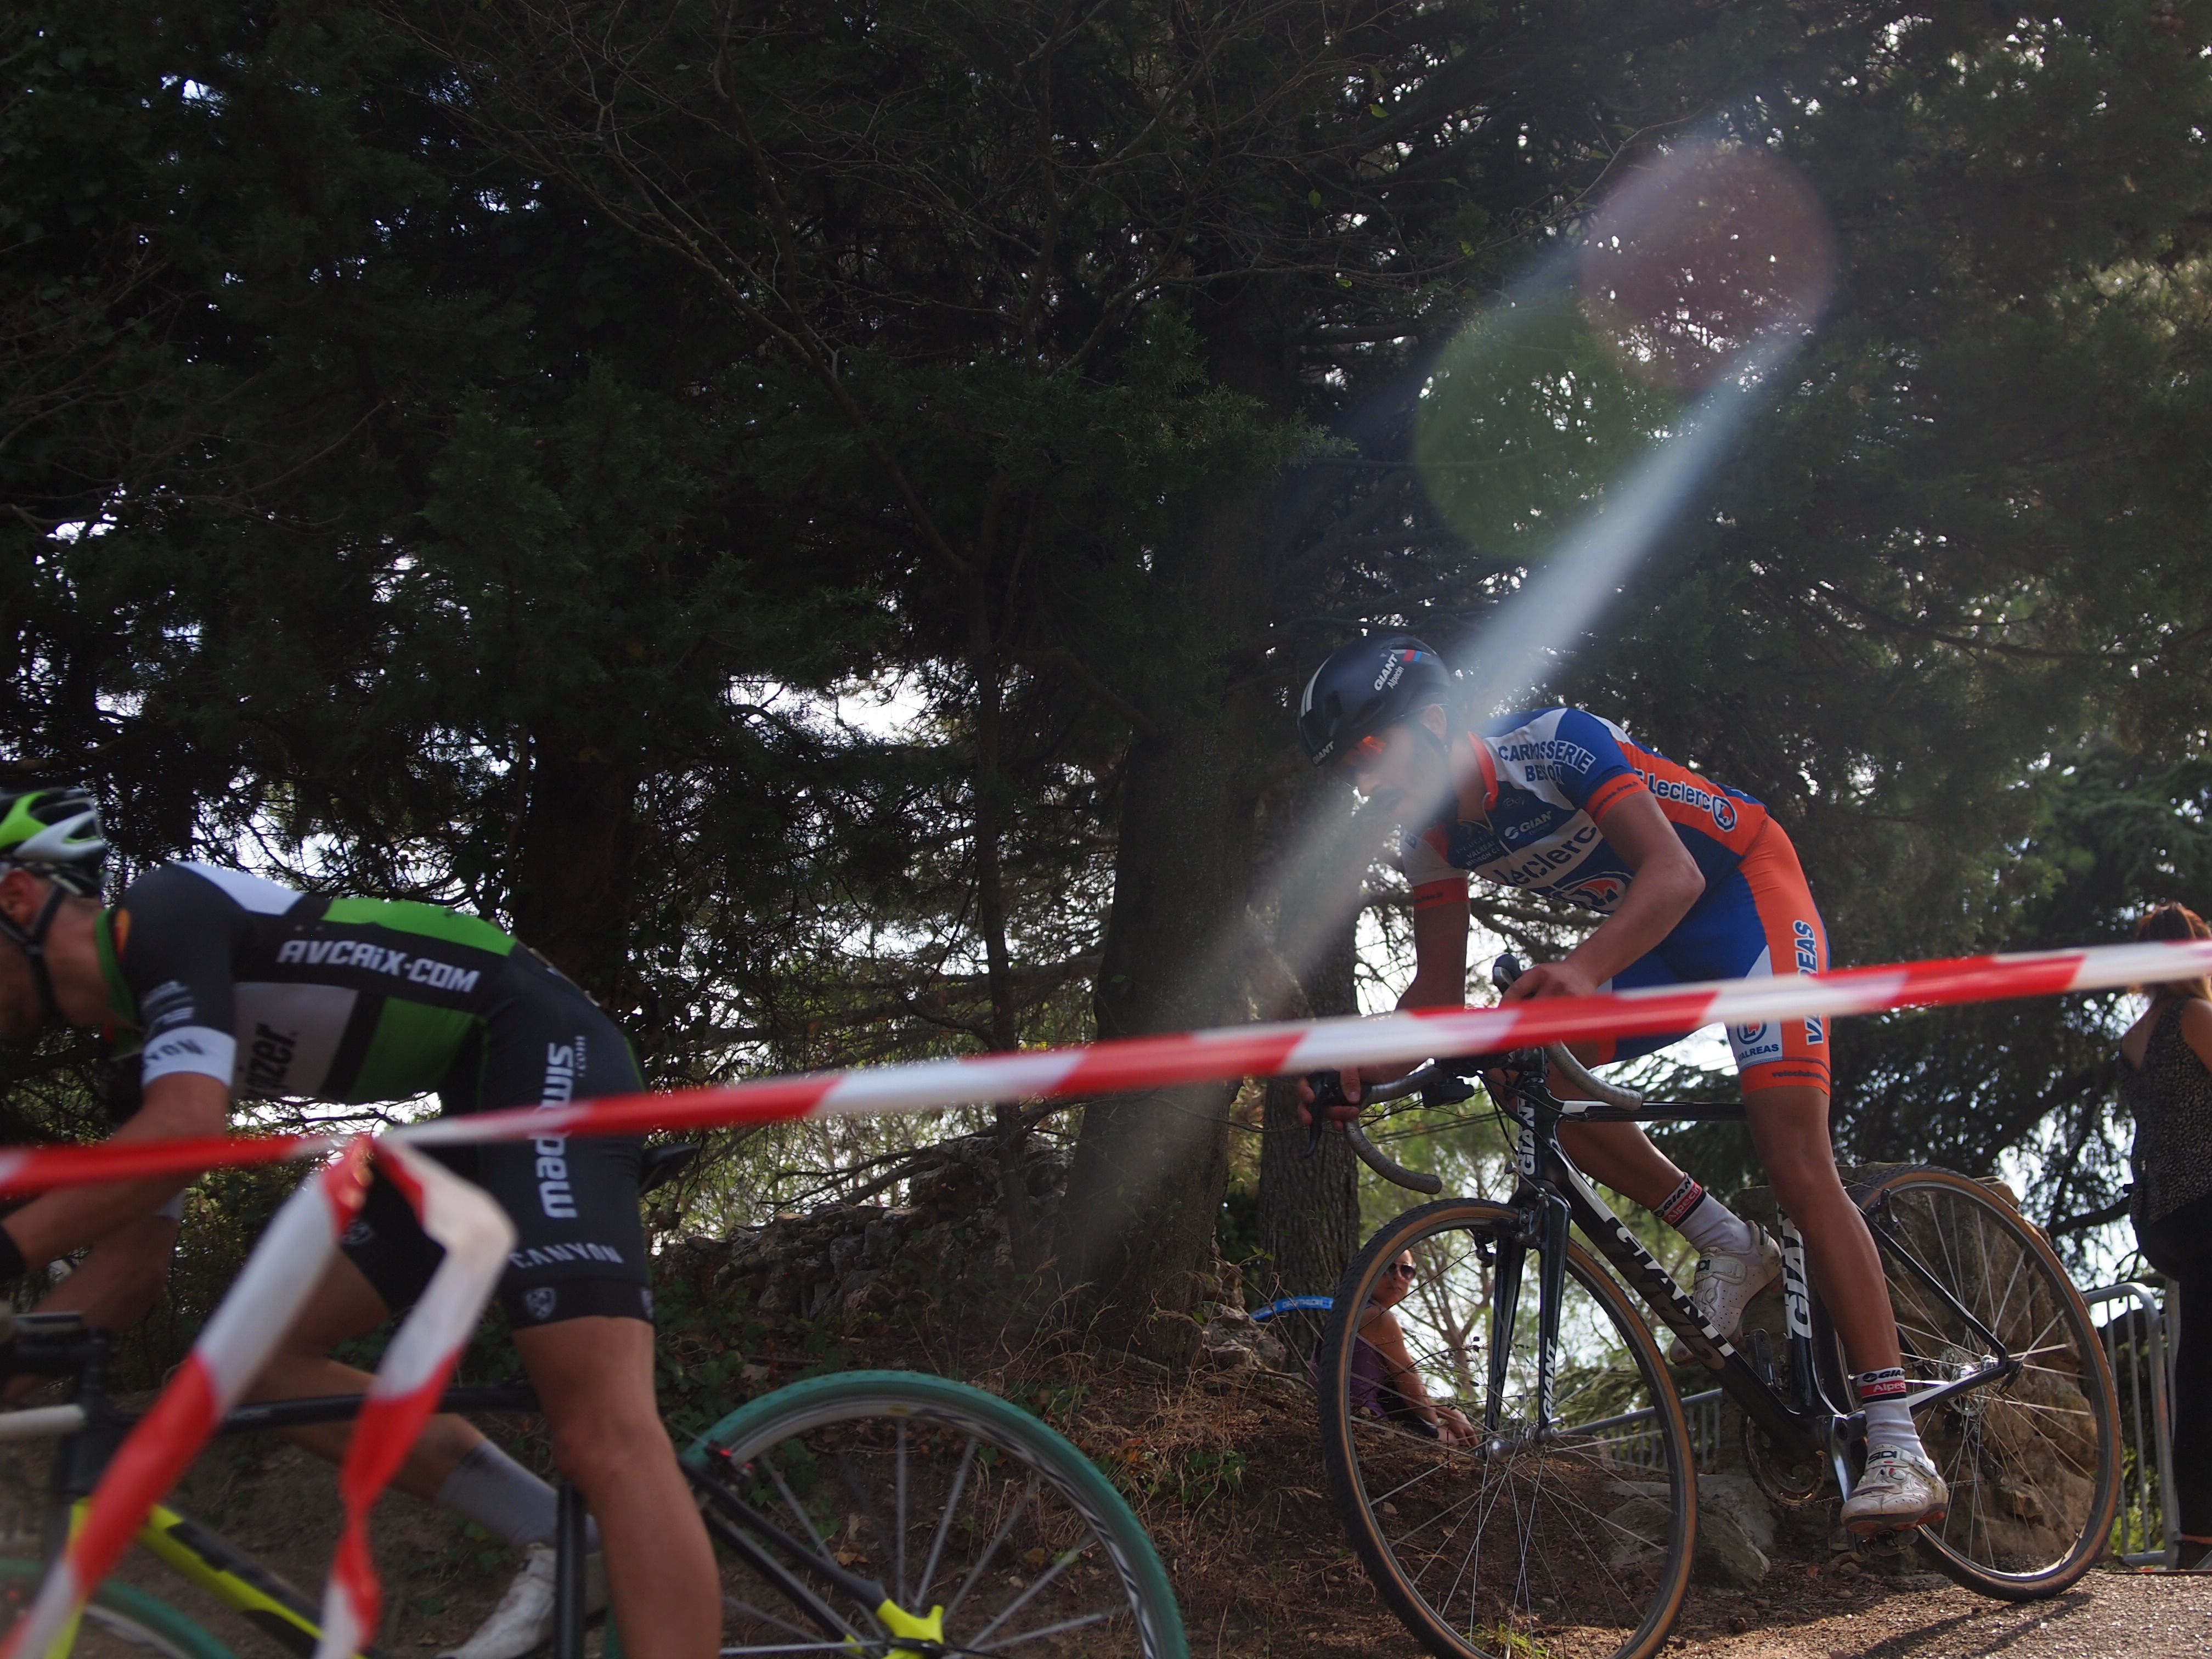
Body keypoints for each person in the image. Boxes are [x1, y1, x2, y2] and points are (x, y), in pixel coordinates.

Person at [0, 786, 718, 1659]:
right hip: (469, 1110)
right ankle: (567, 1541)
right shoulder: (140, 1048)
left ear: (17, 897)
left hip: (539, 1046)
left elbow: (184, 1130)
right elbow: (126, 1274)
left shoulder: (163, 913)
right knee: (254, 1364)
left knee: (602, 1429)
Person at [1293, 634, 1946, 1534]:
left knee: (1796, 1161)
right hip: (1657, 941)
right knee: (1522, 1073)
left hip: (1746, 899)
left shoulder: (1553, 744)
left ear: (1434, 720)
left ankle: (1898, 1439)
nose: (1364, 781)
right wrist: (1354, 1068)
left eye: (1370, 750)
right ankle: (1726, 1239)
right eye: (1349, 768)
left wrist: (1582, 969)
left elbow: (1675, 872)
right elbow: (1434, 1001)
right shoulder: (1431, 840)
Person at [2118, 901, 2212, 1572]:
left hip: (2162, 1216)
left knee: (2201, 1365)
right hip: (2205, 1200)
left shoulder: (2134, 1036)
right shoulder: (2195, 1017)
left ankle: (2199, 1529)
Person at [1348, 1251, 1475, 1444]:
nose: (1398, 1276)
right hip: (1364, 1423)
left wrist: (1445, 1413)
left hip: (1343, 1416)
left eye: (1407, 1271)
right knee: (1459, 1441)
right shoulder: (1379, 1317)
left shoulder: (1351, 1311)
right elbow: (1417, 1399)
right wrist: (1447, 1419)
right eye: (1389, 1267)